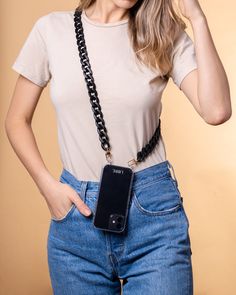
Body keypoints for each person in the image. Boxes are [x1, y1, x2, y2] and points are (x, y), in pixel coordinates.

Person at [5, 0, 231, 294]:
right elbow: (16, 120)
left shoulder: (162, 33)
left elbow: (216, 111)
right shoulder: (51, 29)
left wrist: (198, 19)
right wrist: (47, 186)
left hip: (153, 216)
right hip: (76, 221)